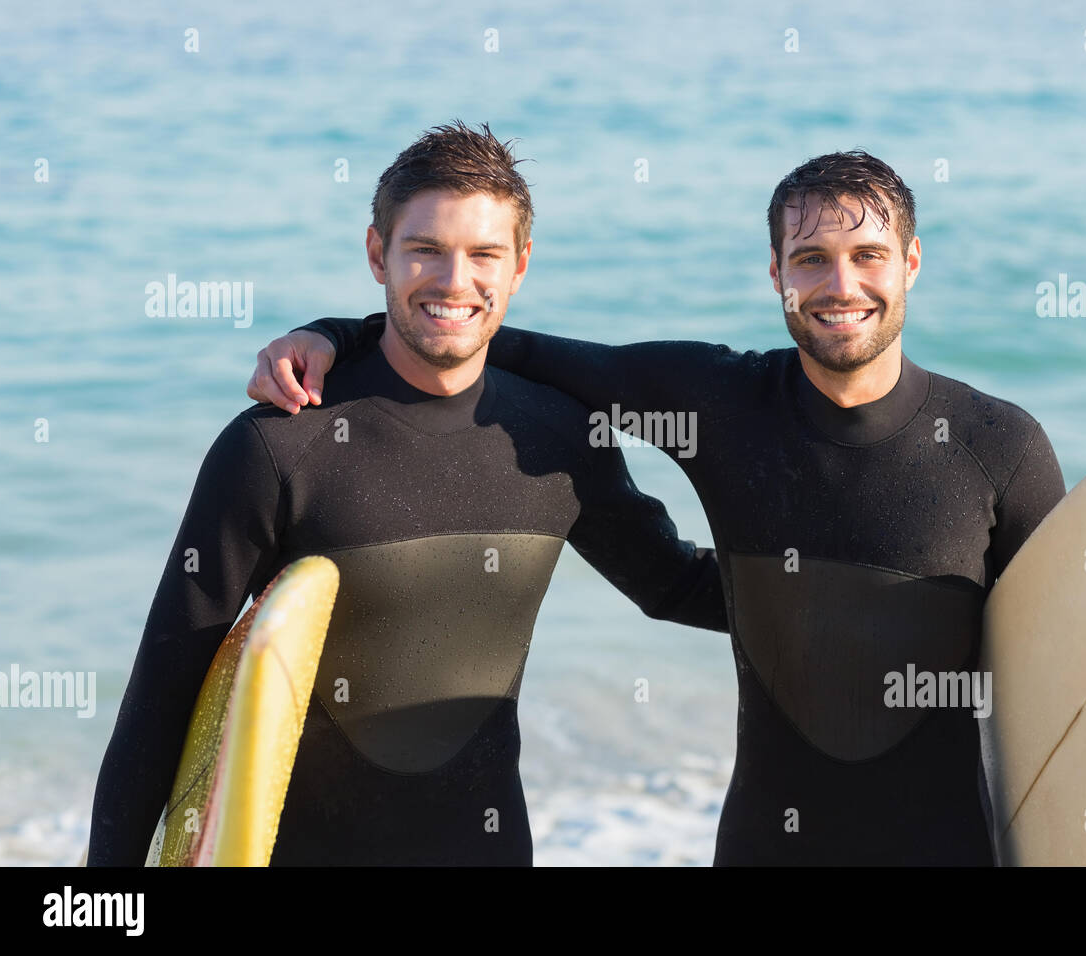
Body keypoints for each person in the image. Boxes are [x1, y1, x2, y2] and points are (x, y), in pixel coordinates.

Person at [249, 149, 1068, 865]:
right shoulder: (719, 401)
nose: (841, 285)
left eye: (868, 255)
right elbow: (486, 336)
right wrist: (333, 336)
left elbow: (1071, 675)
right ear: (776, 273)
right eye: (811, 258)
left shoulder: (999, 447)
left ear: (912, 262)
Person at [88, 122, 727, 867]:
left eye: (484, 254)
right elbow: (164, 691)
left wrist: (856, 587)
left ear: (520, 266)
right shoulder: (279, 445)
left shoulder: (558, 438)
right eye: (425, 249)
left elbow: (673, 582)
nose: (455, 281)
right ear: (376, 255)